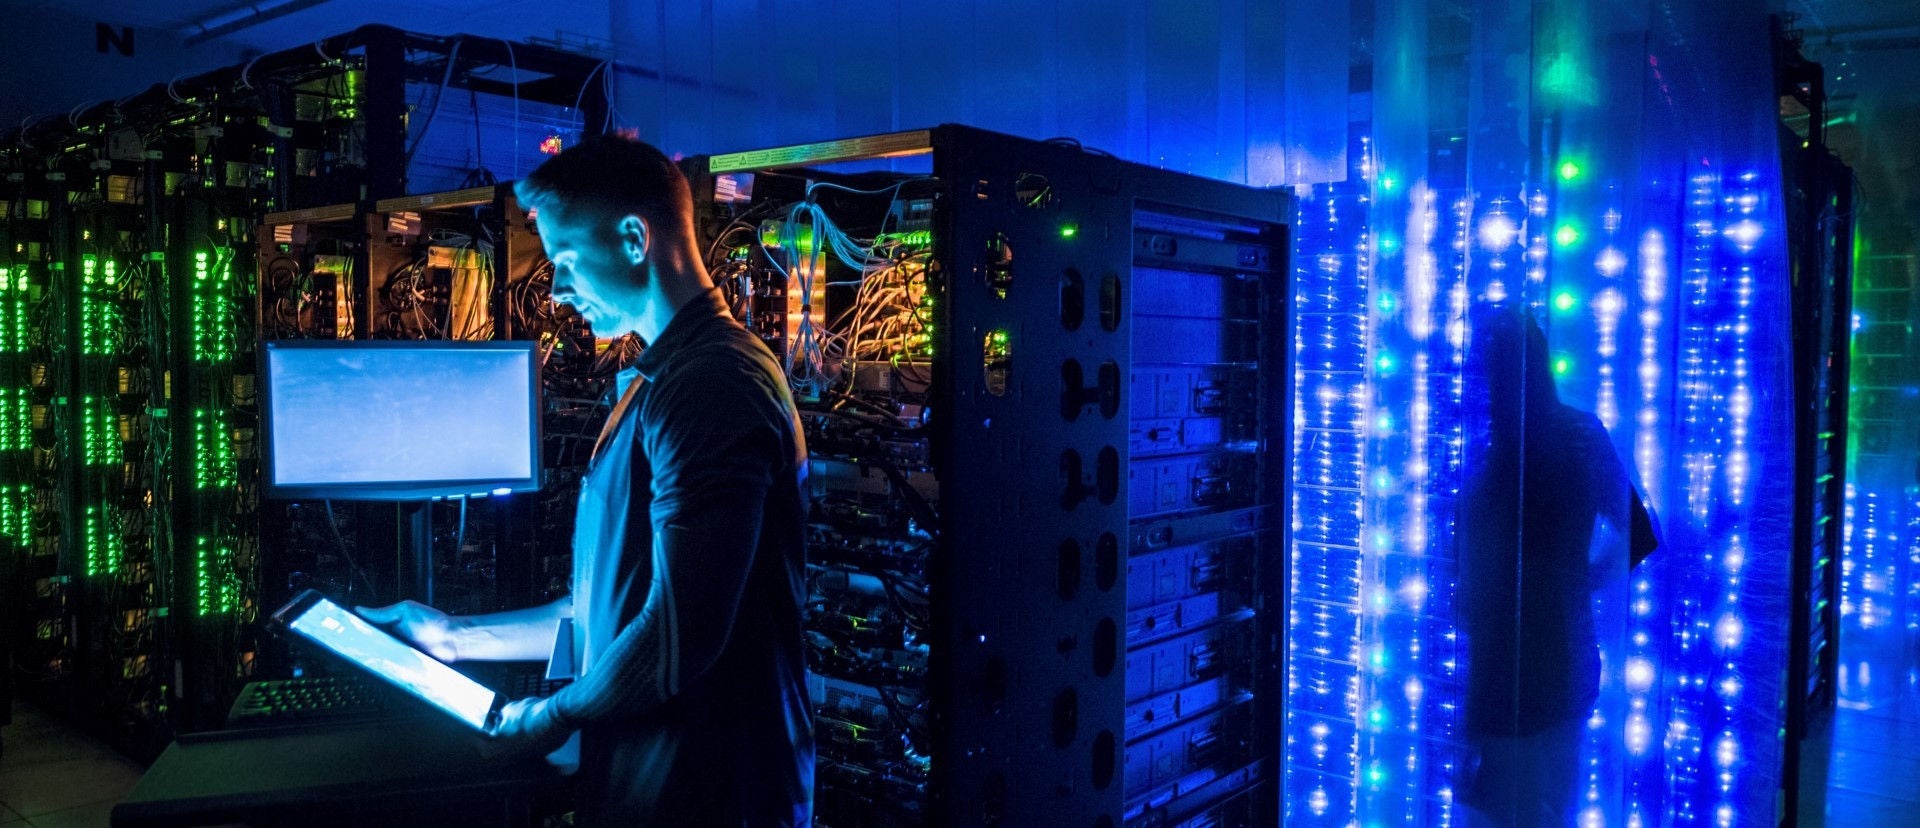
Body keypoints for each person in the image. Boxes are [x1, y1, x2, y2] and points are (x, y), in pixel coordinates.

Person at [359, 134, 813, 825]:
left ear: (635, 238)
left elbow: (675, 636)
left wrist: (547, 717)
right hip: (655, 780)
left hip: (713, 790)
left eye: (566, 262)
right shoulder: (661, 380)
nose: (561, 292)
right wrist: (453, 637)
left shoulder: (713, 386)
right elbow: (612, 605)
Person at [1455, 303, 1657, 827]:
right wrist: (1578, 584)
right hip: (1560, 661)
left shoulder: (1490, 455)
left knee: (1508, 809)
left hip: (1510, 672)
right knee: (1549, 807)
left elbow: (1477, 573)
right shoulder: (1578, 435)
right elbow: (1639, 534)